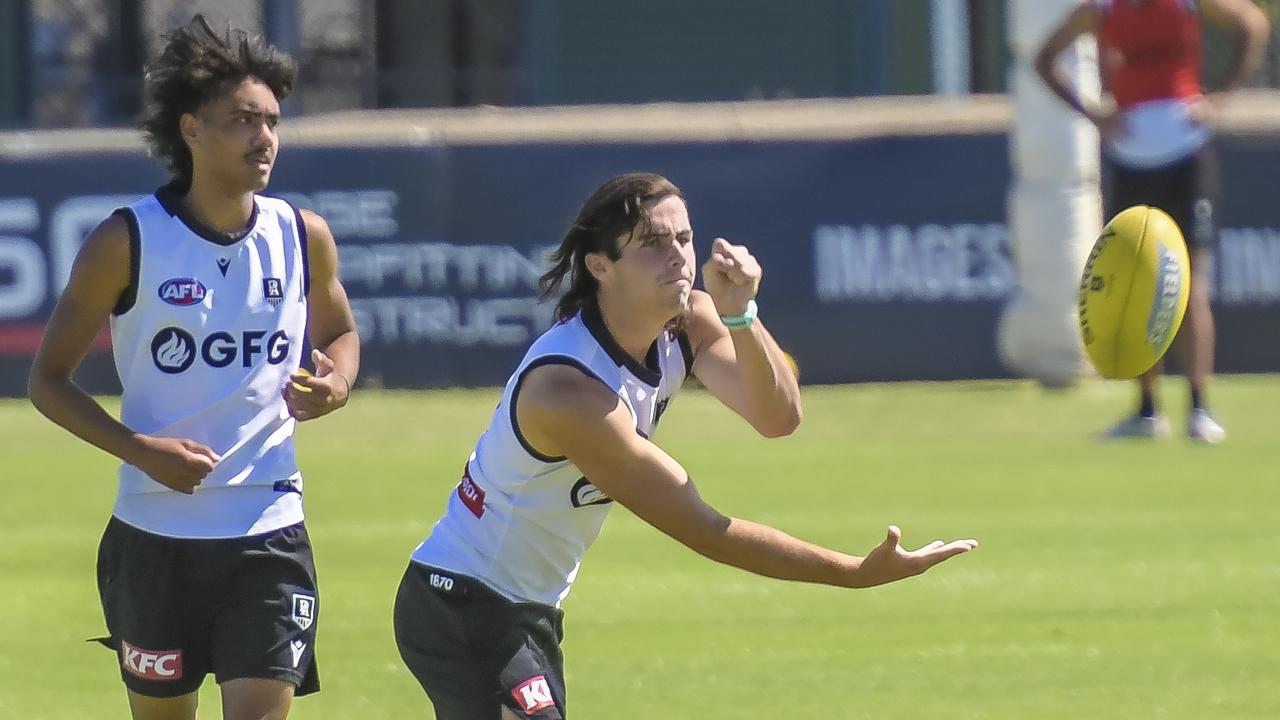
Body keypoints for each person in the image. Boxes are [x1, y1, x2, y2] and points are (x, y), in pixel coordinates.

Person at [392, 173, 978, 719]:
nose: (677, 254)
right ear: (600, 264)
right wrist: (851, 573)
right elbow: (702, 528)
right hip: (462, 603)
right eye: (652, 242)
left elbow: (777, 416)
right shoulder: (569, 391)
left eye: (684, 237)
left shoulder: (689, 322)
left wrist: (741, 315)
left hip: (527, 608)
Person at [27, 15, 359, 720]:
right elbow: (47, 382)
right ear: (191, 129)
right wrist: (139, 450)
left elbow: (342, 332)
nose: (263, 137)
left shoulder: (303, 236)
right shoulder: (126, 240)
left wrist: (337, 382)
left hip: (270, 530)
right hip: (154, 539)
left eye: (272, 120)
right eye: (243, 120)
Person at [1034, 0, 1270, 443]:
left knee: (1191, 283)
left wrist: (1221, 94)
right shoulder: (1102, 10)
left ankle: (1199, 408)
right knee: (1135, 286)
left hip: (1186, 152)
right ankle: (1147, 410)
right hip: (1130, 156)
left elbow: (1252, 24)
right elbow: (1045, 58)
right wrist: (1092, 112)